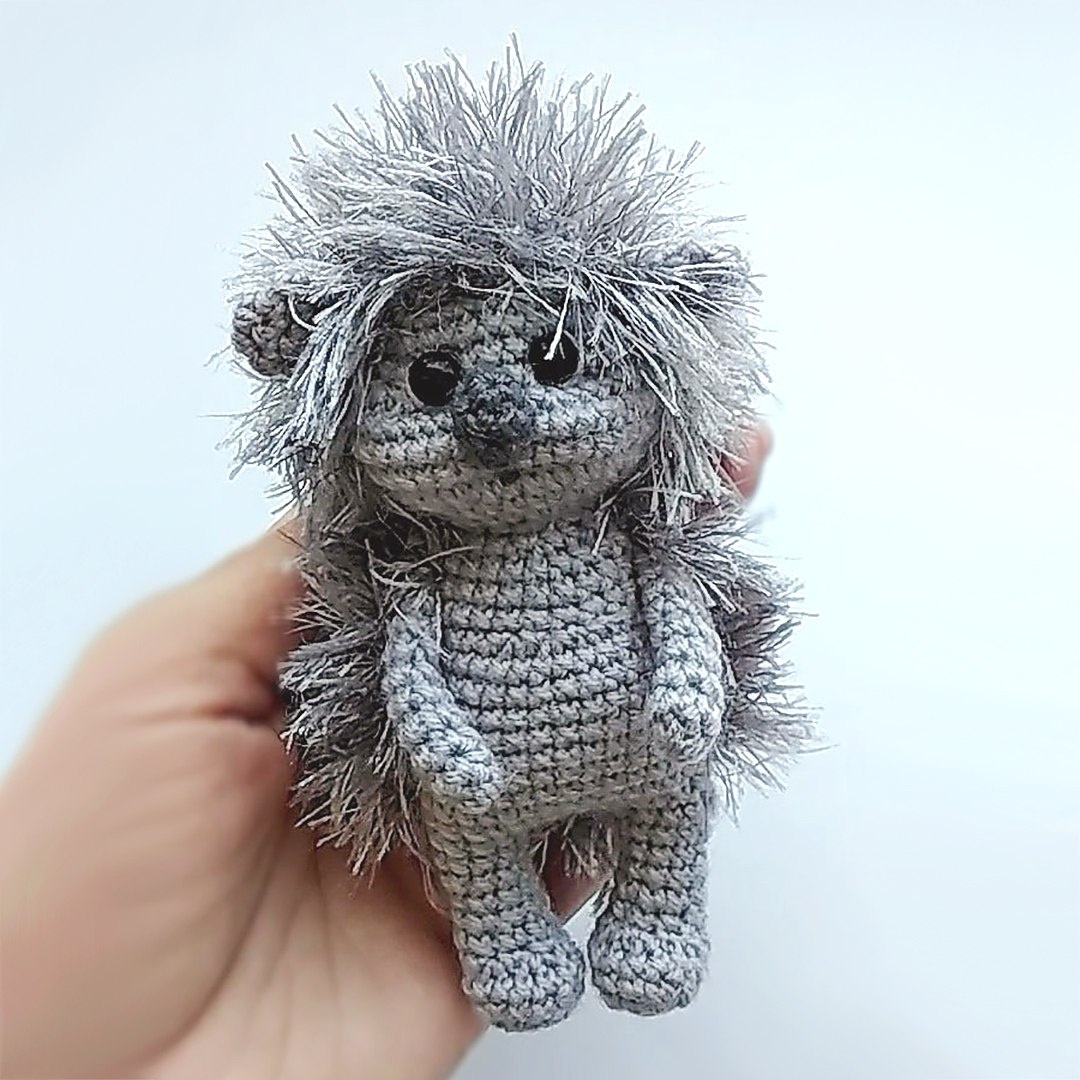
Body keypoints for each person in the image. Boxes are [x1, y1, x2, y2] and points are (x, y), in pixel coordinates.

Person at [0, 431, 770, 1079]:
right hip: (479, 784)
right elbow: (411, 667)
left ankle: (655, 914)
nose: (497, 418)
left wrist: (687, 687)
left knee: (670, 800)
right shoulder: (419, 571)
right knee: (473, 847)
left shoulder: (634, 543)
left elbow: (676, 606)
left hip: (647, 747)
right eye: (432, 380)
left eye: (556, 360)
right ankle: (505, 938)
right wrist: (441, 740)